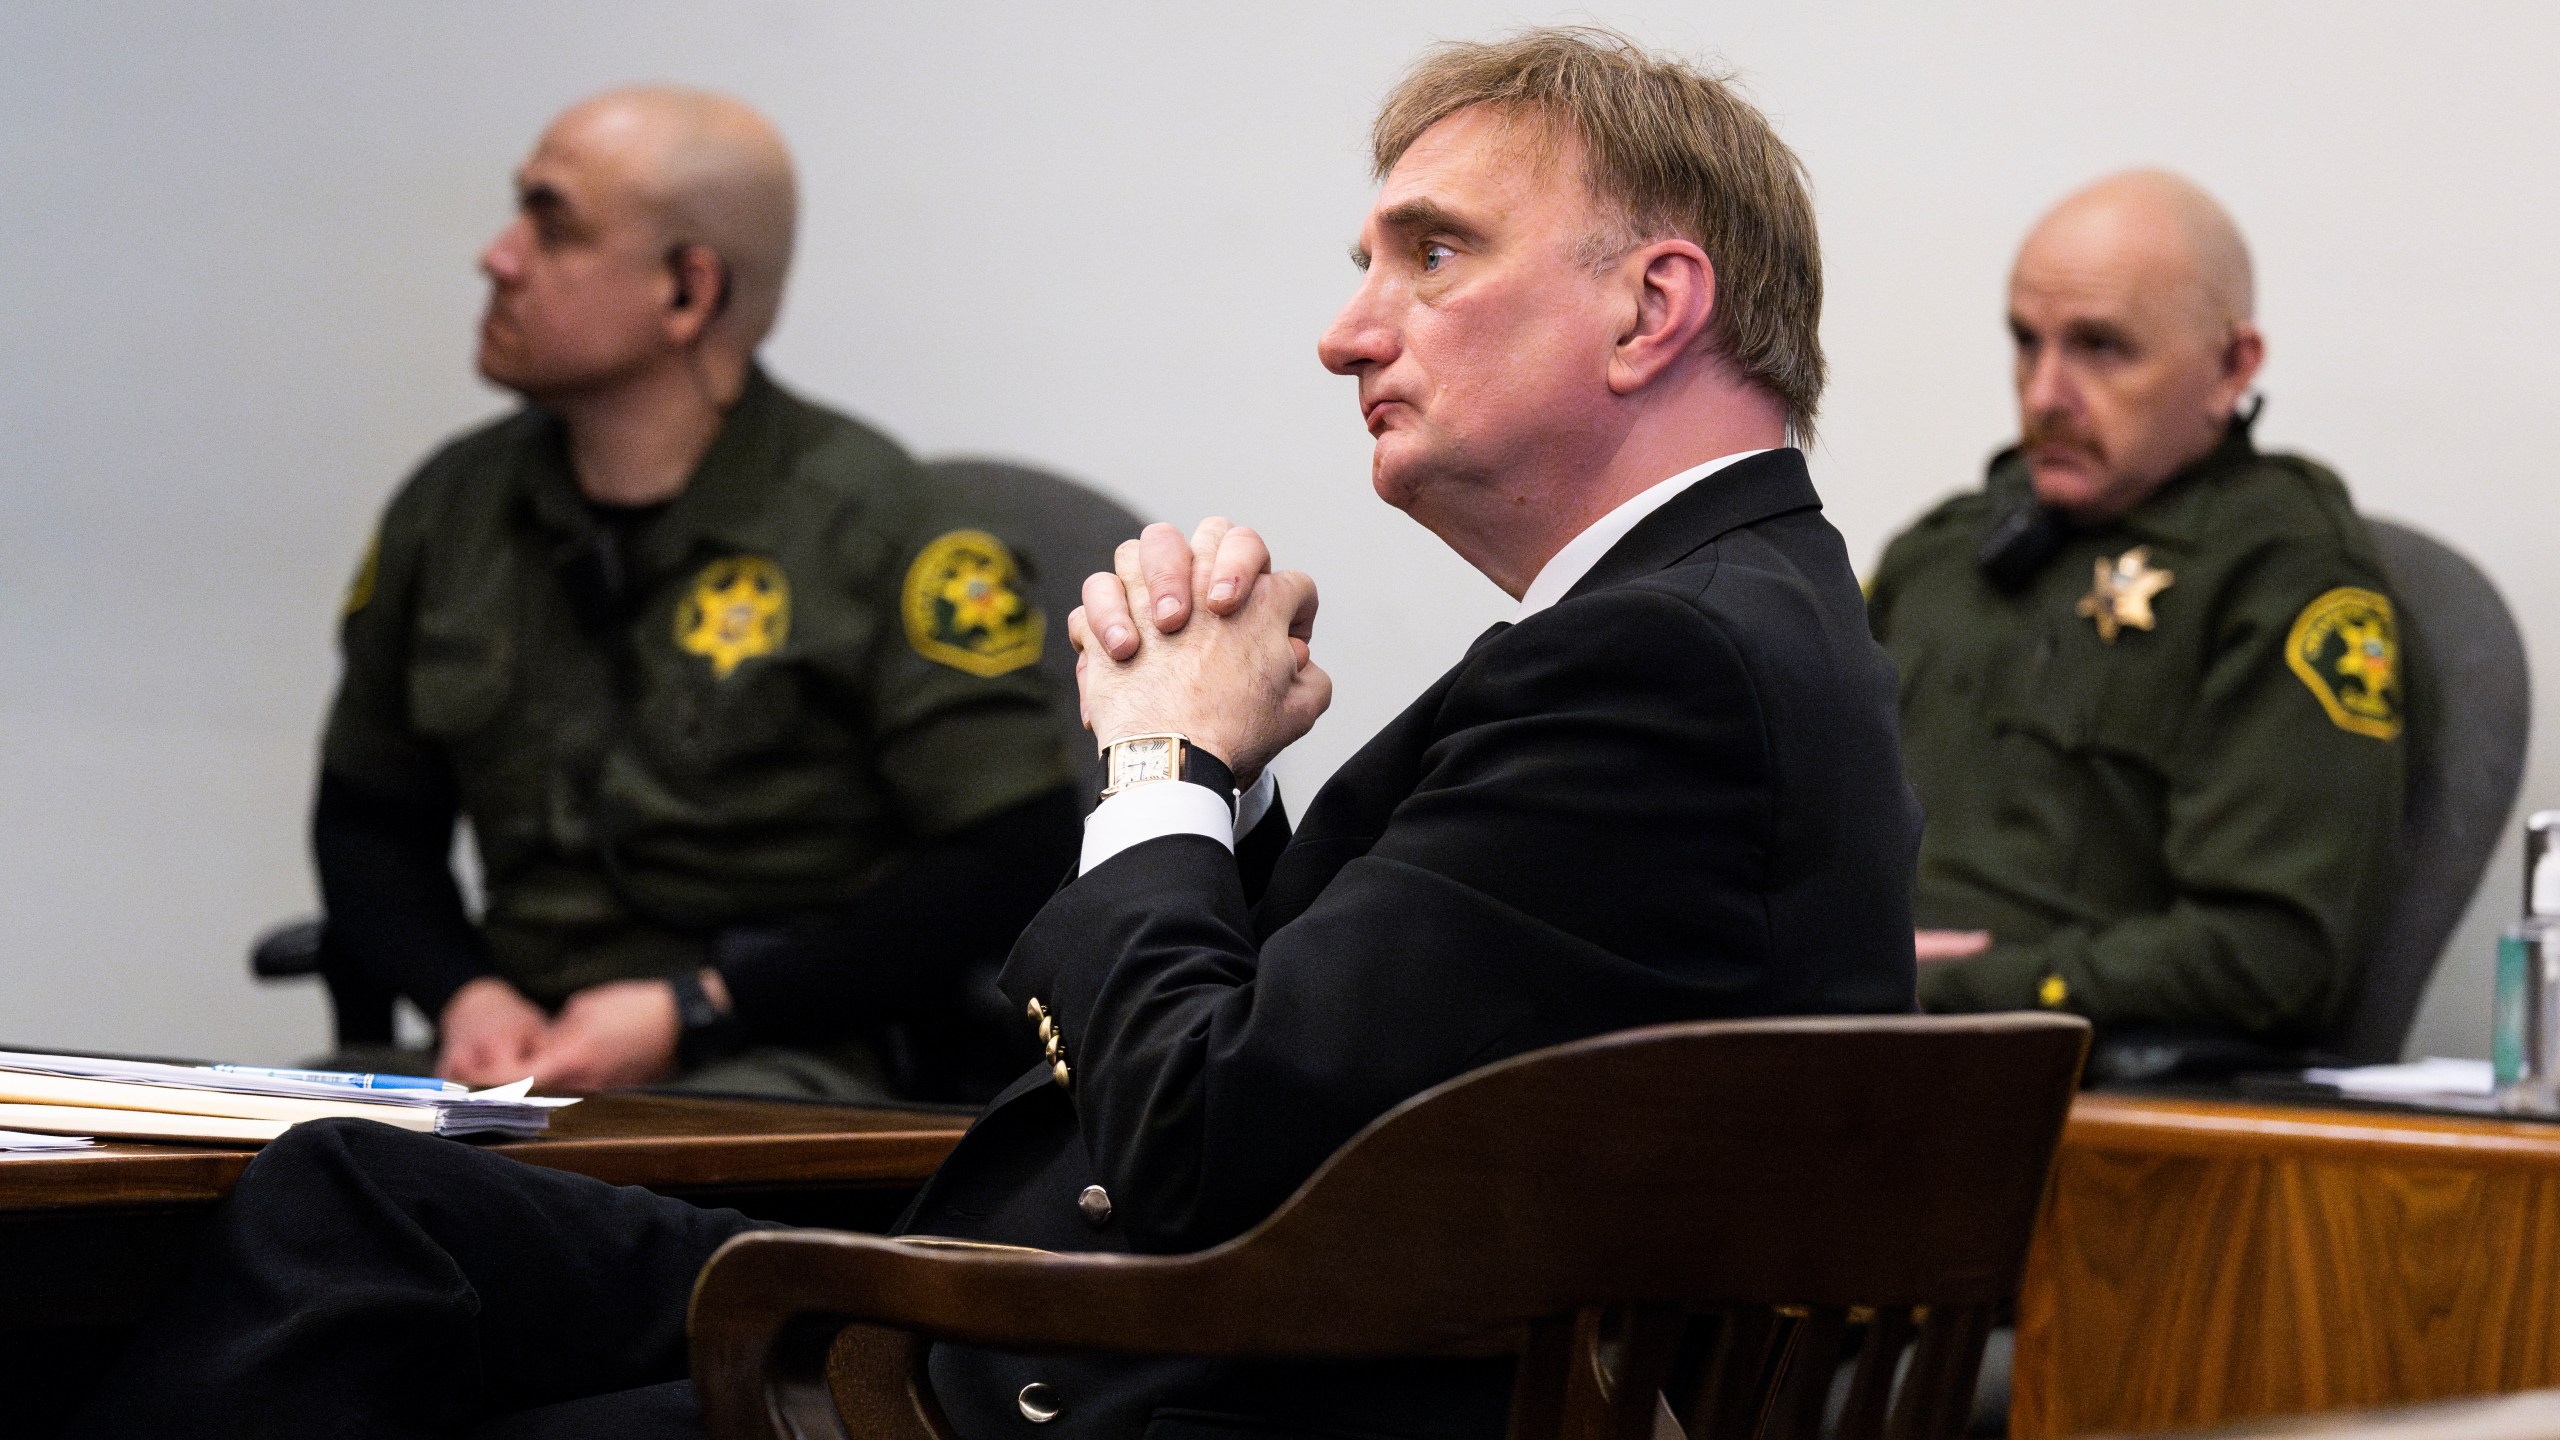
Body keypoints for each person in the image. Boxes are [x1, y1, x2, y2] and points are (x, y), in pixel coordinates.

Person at [70, 29, 1918, 1439]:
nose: (1351, 333)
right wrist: (1227, 795)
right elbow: (1366, 1064)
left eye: (1430, 255)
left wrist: (1160, 776)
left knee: (328, 1304)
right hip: (1074, 1309)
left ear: (1653, 307)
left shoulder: (1658, 667)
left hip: (1056, 1374)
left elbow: (1213, 1141)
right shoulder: (1711, 625)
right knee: (359, 1206)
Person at [312, 86, 1079, 1101]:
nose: (498, 257)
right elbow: (369, 819)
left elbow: (1004, 855)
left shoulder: (884, 528)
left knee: (494, 1213)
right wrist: (464, 995)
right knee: (256, 1178)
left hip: (777, 1058)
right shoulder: (452, 509)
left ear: (687, 291)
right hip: (506, 1055)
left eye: (551, 225)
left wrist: (705, 1007)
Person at [1867, 170, 2407, 1055]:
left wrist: (1953, 987)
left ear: (2233, 367)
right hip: (1836, 1057)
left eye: (2101, 348)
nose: (2045, 394)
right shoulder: (1941, 554)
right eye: (2026, 341)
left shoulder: (2284, 574)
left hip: (2073, 1101)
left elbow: (2274, 956)